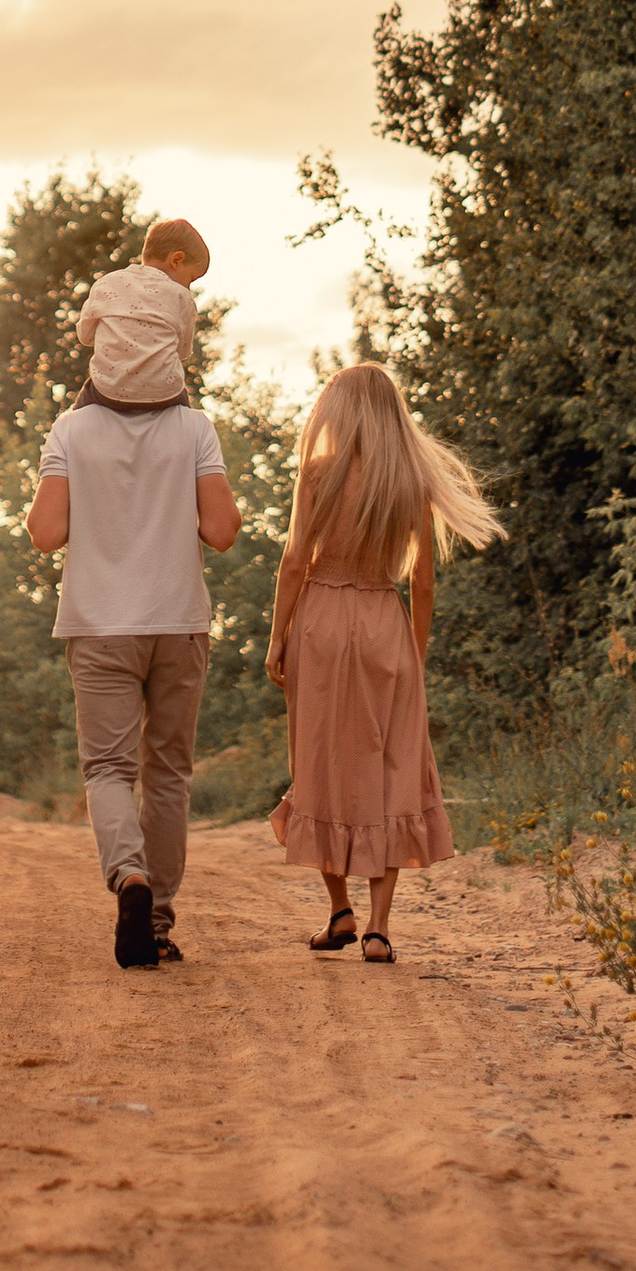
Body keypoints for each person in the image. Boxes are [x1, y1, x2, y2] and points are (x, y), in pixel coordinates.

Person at [25, 287, 242, 971]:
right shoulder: (195, 428)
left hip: (99, 624)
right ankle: (162, 923)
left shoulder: (71, 430)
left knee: (110, 768)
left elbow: (45, 532)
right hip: (178, 621)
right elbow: (223, 530)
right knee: (169, 773)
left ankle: (130, 877)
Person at [266, 361, 501, 965]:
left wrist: (277, 637)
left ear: (337, 413)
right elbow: (422, 581)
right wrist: (414, 653)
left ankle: (338, 909)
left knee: (320, 762)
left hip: (320, 619)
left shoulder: (317, 474)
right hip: (382, 621)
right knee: (392, 765)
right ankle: (377, 927)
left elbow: (295, 561)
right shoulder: (409, 480)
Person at [75, 214, 208, 406]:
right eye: (191, 278)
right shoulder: (182, 296)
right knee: (185, 410)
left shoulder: (107, 283)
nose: (189, 287)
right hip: (164, 394)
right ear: (177, 260)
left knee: (78, 412)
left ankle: (73, 429)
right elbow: (182, 351)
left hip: (108, 392)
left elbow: (85, 336)